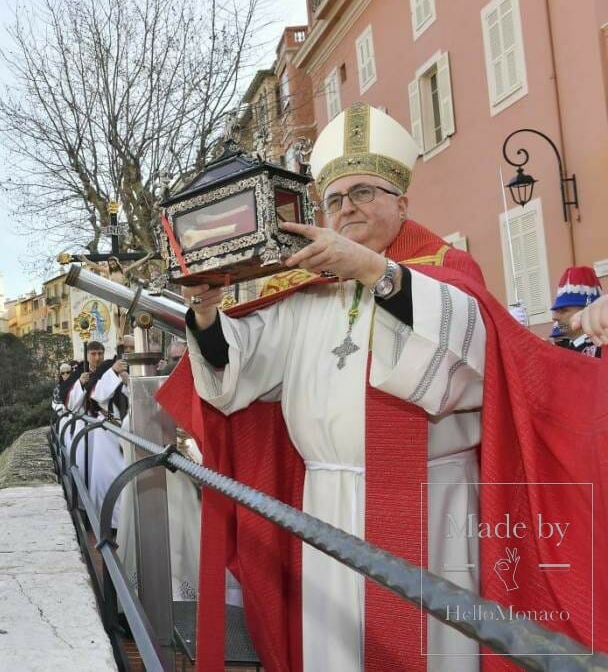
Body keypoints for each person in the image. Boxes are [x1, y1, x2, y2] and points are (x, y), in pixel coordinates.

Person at [156, 102, 607, 671]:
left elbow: (465, 357)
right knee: (337, 651)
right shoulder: (305, 287)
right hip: (324, 505)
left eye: (365, 193)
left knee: (429, 647)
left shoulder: (445, 269)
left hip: (428, 506)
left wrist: (373, 270)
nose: (348, 208)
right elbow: (239, 369)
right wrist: (204, 309)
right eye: (336, 199)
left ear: (401, 201)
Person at [66, 341, 127, 529]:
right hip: (92, 430)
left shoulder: (108, 368)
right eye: (93, 354)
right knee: (97, 474)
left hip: (111, 430)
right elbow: (75, 403)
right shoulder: (84, 374)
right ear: (87, 355)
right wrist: (80, 383)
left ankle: (116, 521)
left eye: (100, 353)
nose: (97, 357)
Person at [549, 266, 602, 358]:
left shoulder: (600, 351)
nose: (555, 317)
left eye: (564, 310)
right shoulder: (571, 349)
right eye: (557, 311)